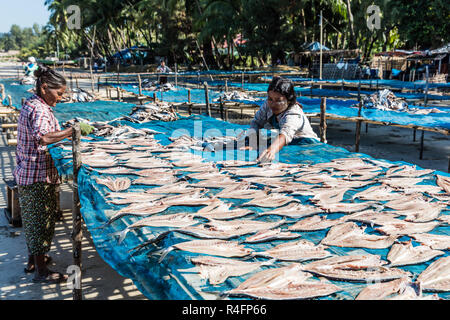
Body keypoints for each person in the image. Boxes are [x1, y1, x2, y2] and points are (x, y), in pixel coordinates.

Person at [14, 65, 73, 284]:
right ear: (45, 87)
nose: (60, 98)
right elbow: (44, 138)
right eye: (58, 94)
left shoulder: (33, 103)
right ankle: (41, 271)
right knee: (41, 223)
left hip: (29, 172)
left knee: (33, 221)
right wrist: (72, 131)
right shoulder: (38, 109)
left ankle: (34, 260)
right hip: (37, 175)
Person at [246, 76, 318, 163]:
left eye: (278, 100)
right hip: (288, 143)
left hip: (306, 145)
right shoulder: (267, 104)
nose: (273, 104)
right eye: (270, 99)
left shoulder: (294, 113)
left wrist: (271, 150)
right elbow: (257, 122)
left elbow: (285, 134)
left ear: (289, 100)